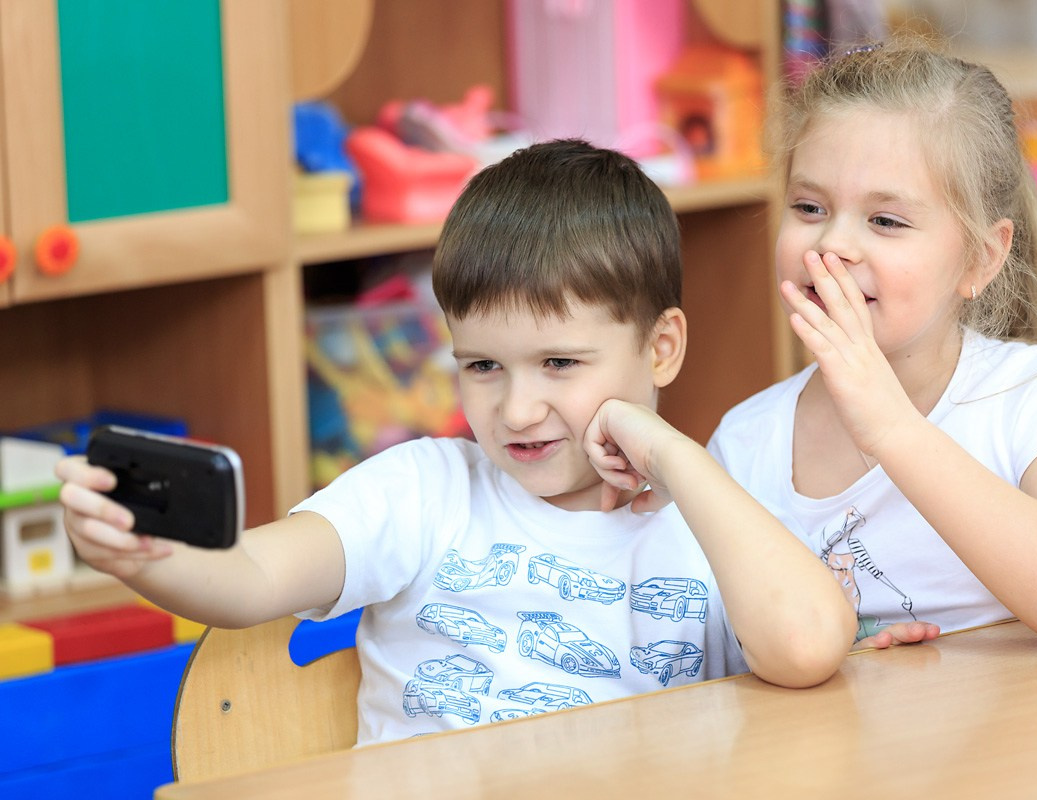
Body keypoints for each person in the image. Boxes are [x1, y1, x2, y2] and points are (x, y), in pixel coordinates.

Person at [56, 139, 854, 745]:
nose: (515, 408)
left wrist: (673, 455)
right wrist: (146, 556)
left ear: (661, 348)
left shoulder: (716, 517)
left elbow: (808, 646)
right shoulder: (423, 489)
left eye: (559, 363)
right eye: (482, 365)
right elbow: (253, 577)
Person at [707, 41, 1037, 653]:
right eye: (809, 207)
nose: (832, 243)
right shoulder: (743, 443)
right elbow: (720, 660)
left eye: (886, 220)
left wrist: (890, 426)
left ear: (981, 257)